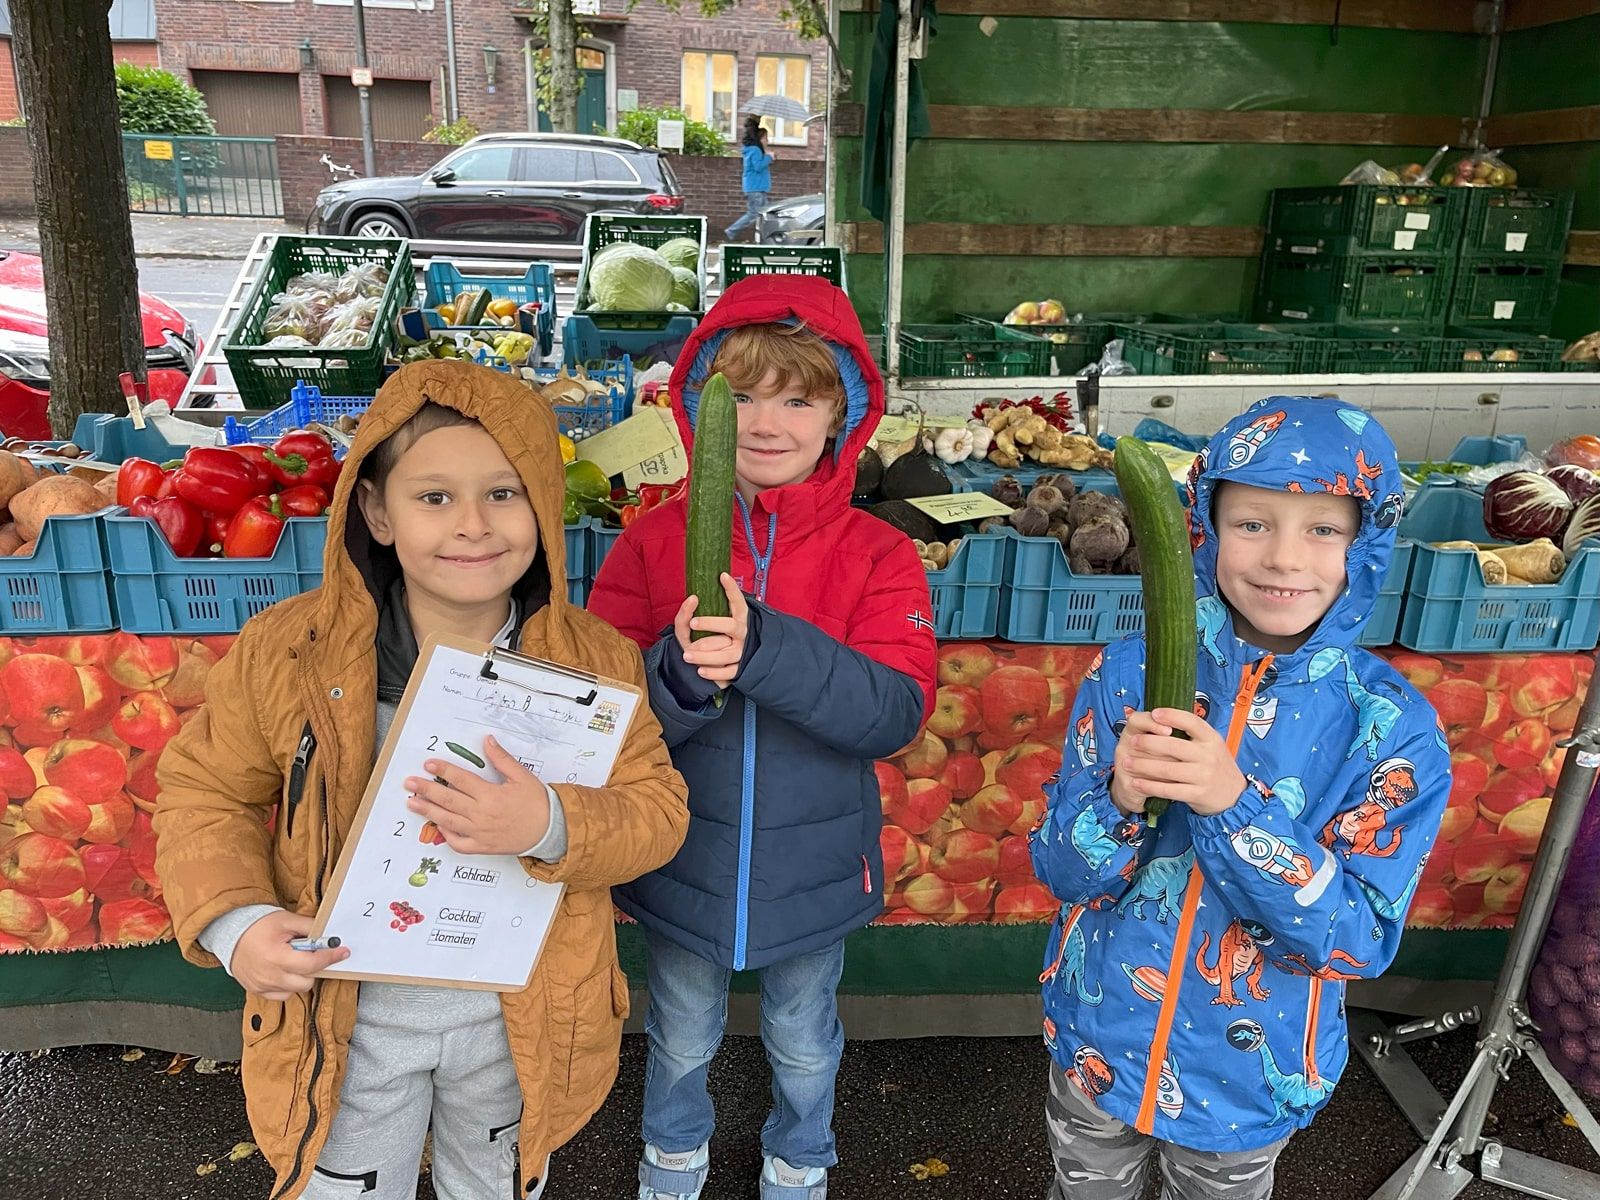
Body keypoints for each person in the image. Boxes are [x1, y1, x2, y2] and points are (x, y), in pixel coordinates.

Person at [153, 360, 691, 1200]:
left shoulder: (593, 660)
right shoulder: (289, 652)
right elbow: (205, 791)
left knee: (496, 1181)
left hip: (520, 1025)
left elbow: (656, 810)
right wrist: (234, 922)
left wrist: (551, 823)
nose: (473, 525)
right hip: (348, 1025)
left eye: (506, 494)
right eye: (434, 497)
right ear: (376, 510)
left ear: (544, 503)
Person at [1029, 396, 1448, 1200]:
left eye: (1323, 529)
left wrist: (1233, 804)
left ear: (1365, 543)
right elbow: (1061, 870)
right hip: (1096, 1035)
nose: (1285, 559)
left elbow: (1356, 942)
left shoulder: (1392, 730)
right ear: (1206, 527)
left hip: (1250, 1076)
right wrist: (1119, 798)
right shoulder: (1130, 671)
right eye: (1253, 523)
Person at [586, 274, 937, 1200]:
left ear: (843, 415)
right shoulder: (651, 544)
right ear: (699, 405)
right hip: (679, 855)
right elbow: (600, 709)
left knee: (803, 1031)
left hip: (814, 868)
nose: (766, 420)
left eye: (797, 397)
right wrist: (674, 680)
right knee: (682, 1027)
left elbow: (895, 711)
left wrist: (765, 649)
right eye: (738, 395)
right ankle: (672, 1149)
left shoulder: (880, 554)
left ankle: (800, 1155)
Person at [726, 116, 776, 243]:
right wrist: (769, 157)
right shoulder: (755, 150)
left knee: (761, 215)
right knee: (755, 214)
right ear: (760, 138)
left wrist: (766, 154)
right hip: (756, 187)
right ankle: (732, 231)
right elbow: (758, 166)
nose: (767, 140)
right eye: (765, 138)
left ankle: (761, 238)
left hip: (757, 187)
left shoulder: (754, 150)